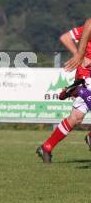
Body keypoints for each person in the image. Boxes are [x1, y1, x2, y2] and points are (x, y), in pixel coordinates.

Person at [36, 24, 91, 163]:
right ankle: (78, 90)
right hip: (87, 74)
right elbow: (65, 37)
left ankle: (46, 147)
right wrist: (80, 56)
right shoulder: (88, 27)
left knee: (76, 117)